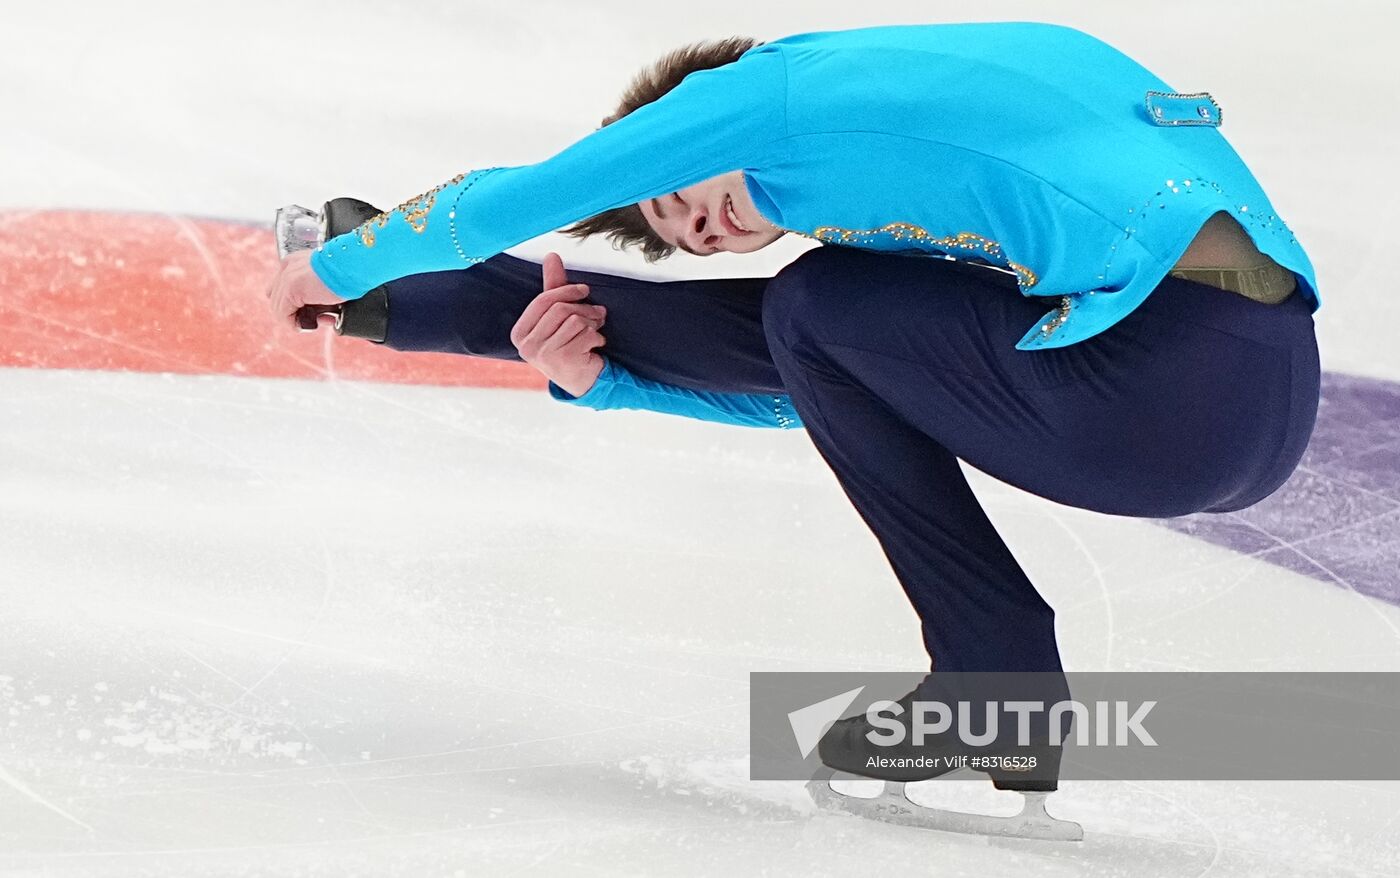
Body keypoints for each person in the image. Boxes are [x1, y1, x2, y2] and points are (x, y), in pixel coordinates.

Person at [266, 22, 1321, 833]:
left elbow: (509, 200)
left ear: (675, 129)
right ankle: (427, 308)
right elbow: (843, 394)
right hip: (1243, 401)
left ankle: (992, 674)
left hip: (1169, 376)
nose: (707, 226)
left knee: (813, 300)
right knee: (816, 311)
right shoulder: (889, 145)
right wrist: (608, 387)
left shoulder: (758, 97)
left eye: (681, 195)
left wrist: (328, 267)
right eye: (692, 238)